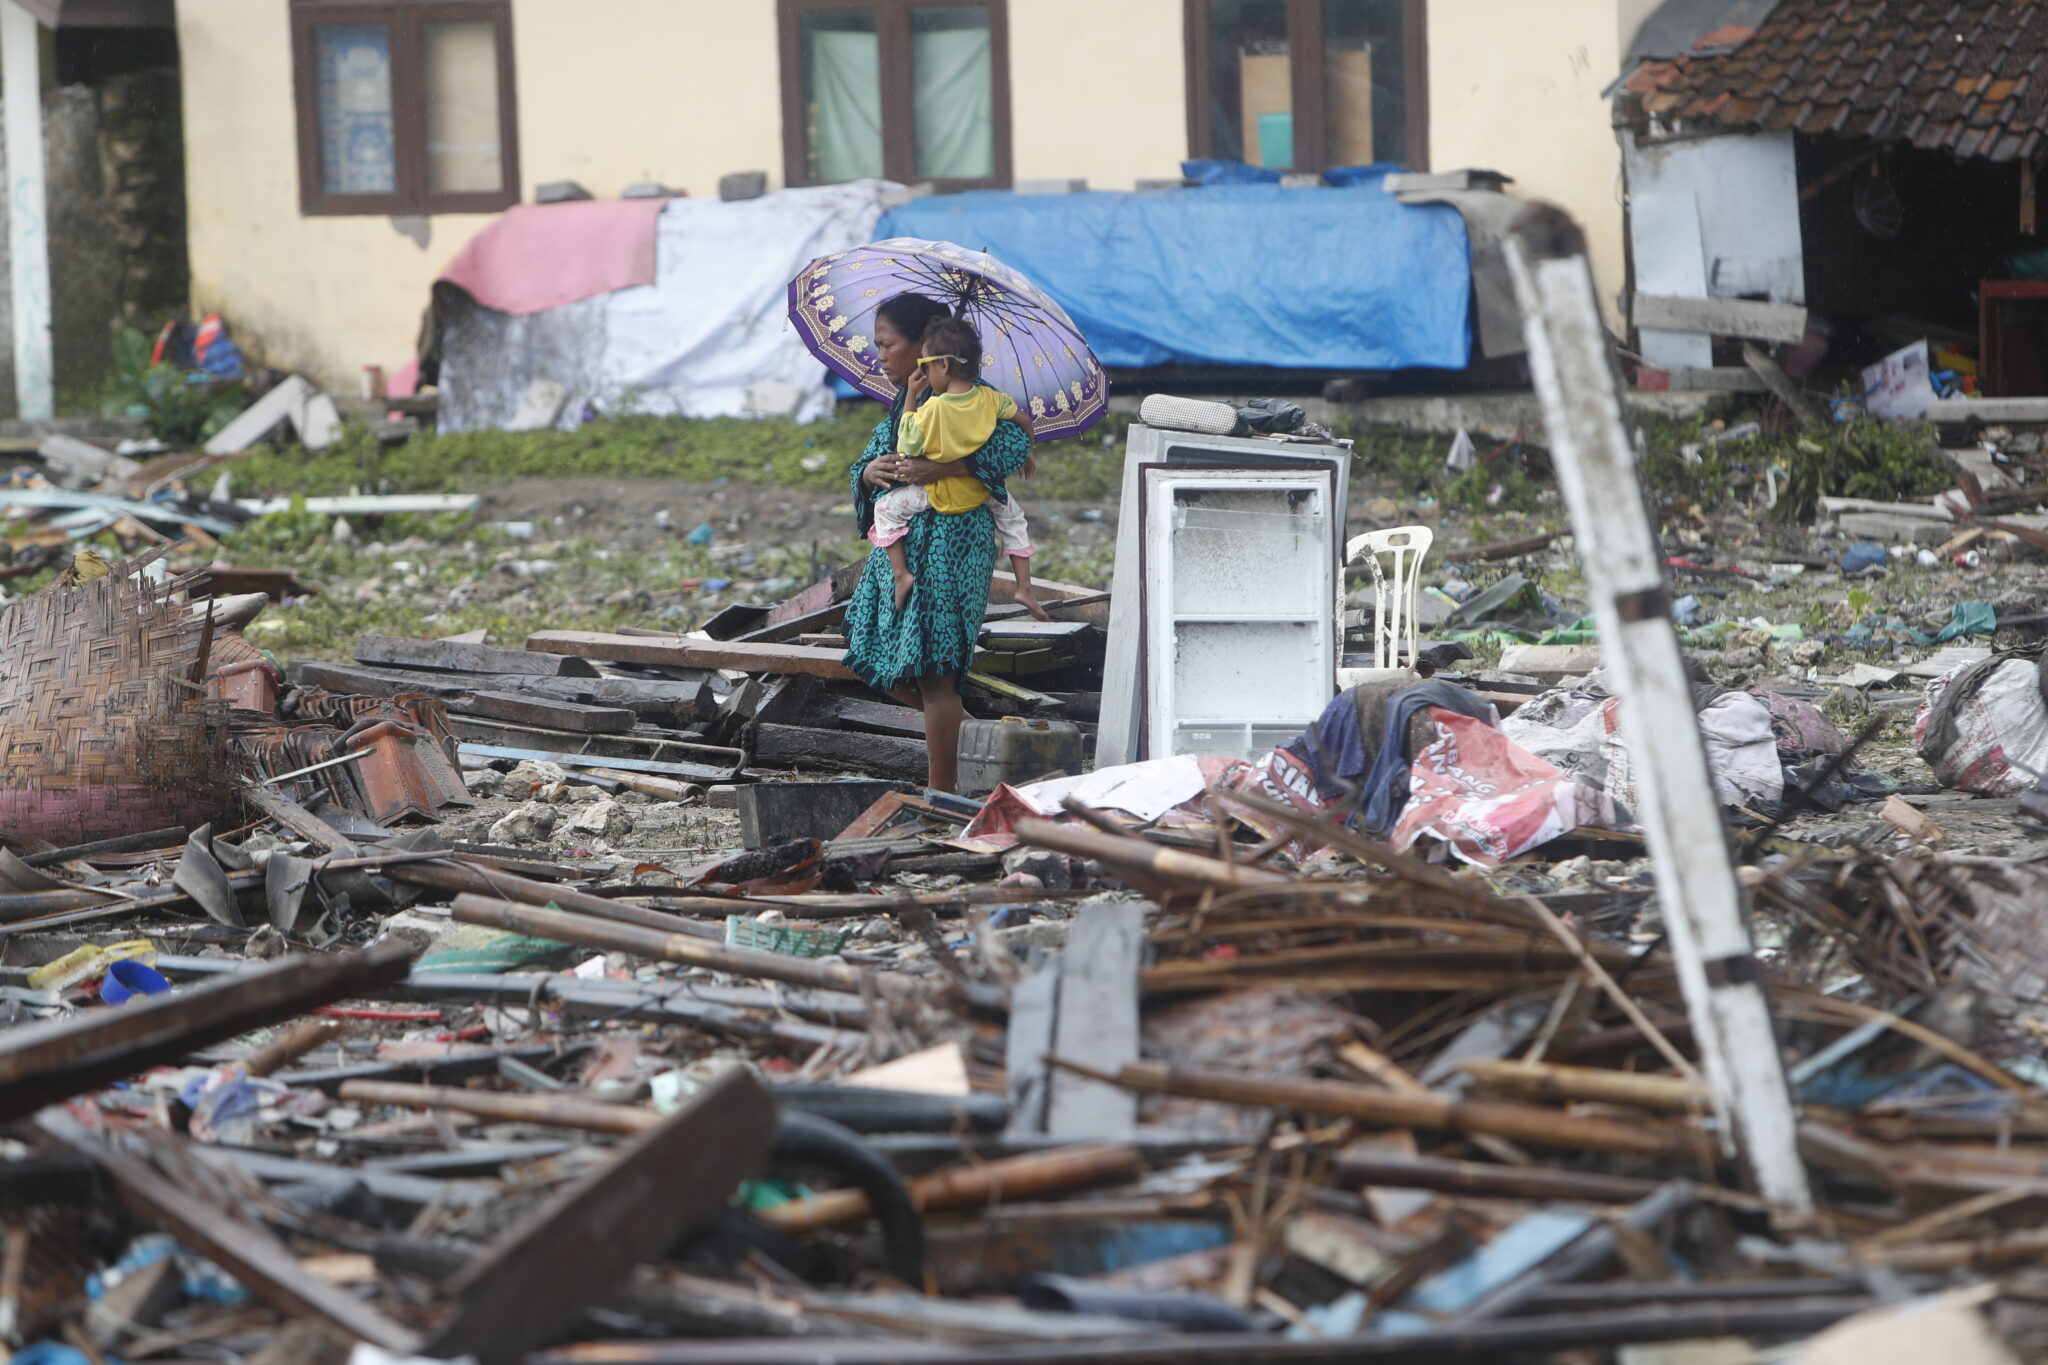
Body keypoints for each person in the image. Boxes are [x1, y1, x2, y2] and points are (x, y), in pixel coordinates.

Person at [842, 292, 1033, 792]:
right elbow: (872, 459)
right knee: (878, 651)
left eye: (887, 345)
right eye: (877, 346)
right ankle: (972, 737)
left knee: (935, 668)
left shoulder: (973, 396)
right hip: (903, 545)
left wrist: (947, 467)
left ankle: (942, 793)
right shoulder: (904, 401)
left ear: (922, 347)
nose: (879, 355)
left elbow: (1016, 443)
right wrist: (869, 473)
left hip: (952, 546)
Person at [869, 317, 1048, 619]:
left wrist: (912, 396)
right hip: (981, 492)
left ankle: (901, 574)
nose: (922, 371)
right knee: (1014, 520)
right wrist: (1026, 452)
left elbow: (908, 445)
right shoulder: (991, 398)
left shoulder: (935, 408)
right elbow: (1024, 422)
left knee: (885, 508)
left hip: (941, 495)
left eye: (925, 364)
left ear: (944, 366)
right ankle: (1024, 586)